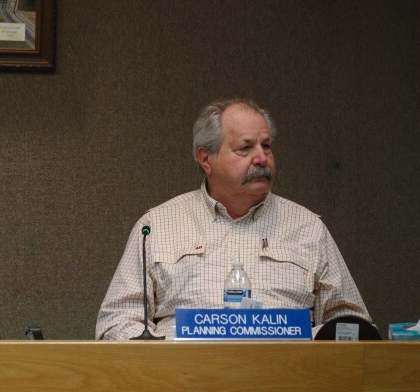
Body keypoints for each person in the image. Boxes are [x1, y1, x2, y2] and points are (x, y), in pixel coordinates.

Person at [95, 98, 370, 340]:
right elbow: (117, 322)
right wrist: (169, 357)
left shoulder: (308, 228)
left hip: (285, 385)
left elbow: (351, 324)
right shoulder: (155, 226)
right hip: (185, 385)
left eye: (266, 146)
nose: (261, 158)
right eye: (245, 148)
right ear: (206, 158)